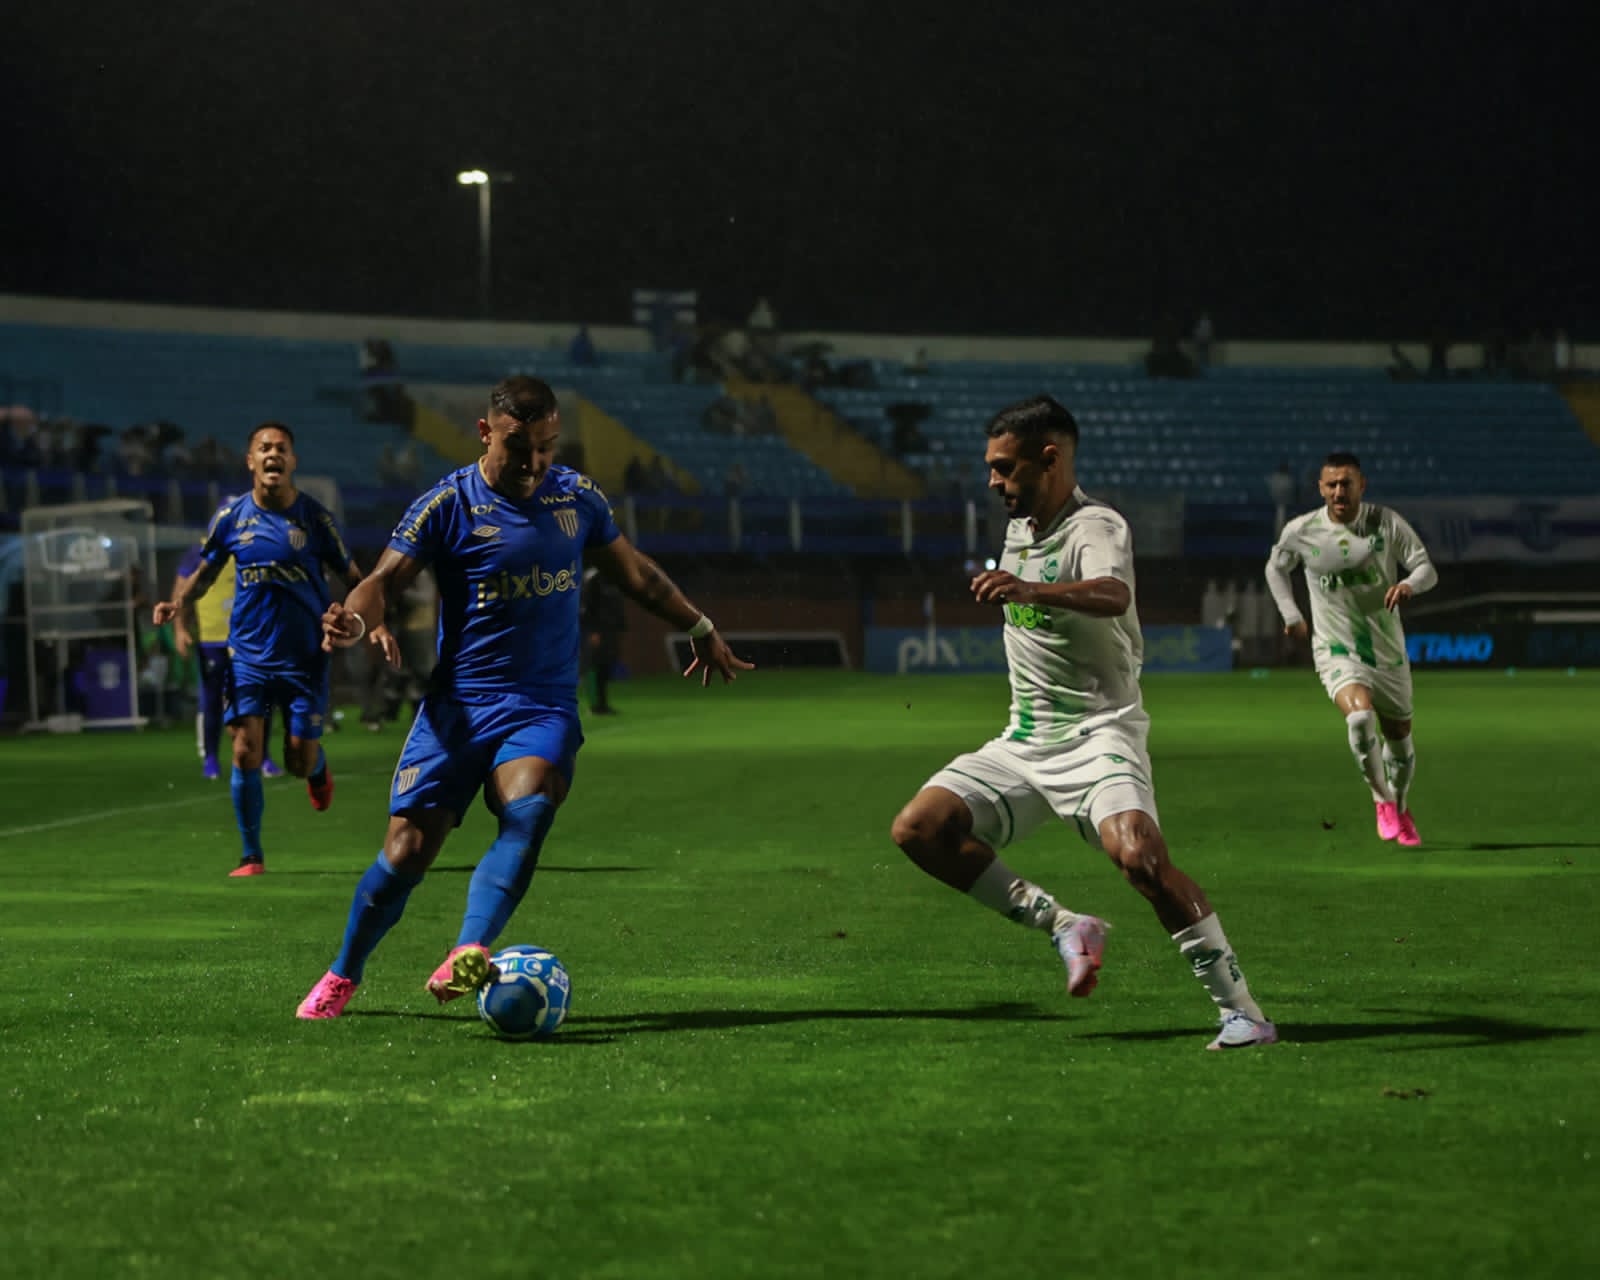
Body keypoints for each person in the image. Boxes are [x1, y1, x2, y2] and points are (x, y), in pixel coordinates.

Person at [294, 376, 753, 1019]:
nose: (534, 462)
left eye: (546, 446)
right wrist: (351, 616)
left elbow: (636, 573)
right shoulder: (447, 504)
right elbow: (384, 581)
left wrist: (699, 625)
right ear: (486, 433)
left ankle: (469, 948)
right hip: (458, 707)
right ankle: (344, 972)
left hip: (541, 705)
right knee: (407, 853)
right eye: (519, 446)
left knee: (530, 809)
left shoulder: (577, 497)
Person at [891, 395, 1276, 1051]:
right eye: (990, 467)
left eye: (1005, 468)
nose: (993, 481)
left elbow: (1113, 593)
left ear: (1051, 459)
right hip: (1023, 740)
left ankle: (1244, 1014)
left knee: (1142, 861)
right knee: (919, 829)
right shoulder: (1020, 528)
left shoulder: (1096, 526)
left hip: (1100, 733)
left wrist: (1029, 590)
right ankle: (1064, 925)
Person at [153, 423, 376, 876]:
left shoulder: (314, 518)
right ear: (251, 461)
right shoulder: (232, 518)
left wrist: (371, 621)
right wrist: (179, 604)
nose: (273, 454)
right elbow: (205, 572)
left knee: (298, 759)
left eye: (281, 448)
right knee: (245, 750)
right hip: (247, 656)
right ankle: (251, 855)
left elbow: (354, 577)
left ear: (293, 461)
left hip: (305, 657)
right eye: (264, 448)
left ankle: (317, 767)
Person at [1265, 452, 1437, 847]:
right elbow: (1275, 568)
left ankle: (1400, 804)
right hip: (1336, 649)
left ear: (1362, 485)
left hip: (1388, 651)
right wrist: (1291, 614)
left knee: (1399, 738)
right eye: (1332, 484)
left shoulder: (1386, 523)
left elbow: (1426, 567)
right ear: (1321, 488)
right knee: (1359, 717)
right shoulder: (1302, 530)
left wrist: (1409, 584)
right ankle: (1382, 800)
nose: (1339, 491)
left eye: (1346, 483)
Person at [171, 529, 284, 780]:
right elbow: (182, 591)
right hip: (213, 639)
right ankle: (211, 758)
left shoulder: (256, 549)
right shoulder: (200, 553)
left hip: (250, 639)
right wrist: (180, 628)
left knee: (260, 698)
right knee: (212, 700)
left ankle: (263, 756)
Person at [580, 565, 626, 715]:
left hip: (609, 630)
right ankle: (594, 705)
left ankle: (603, 704)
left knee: (606, 666)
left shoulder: (613, 577)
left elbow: (616, 605)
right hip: (597, 631)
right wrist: (593, 630)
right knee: (594, 666)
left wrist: (621, 626)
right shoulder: (593, 579)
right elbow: (588, 606)